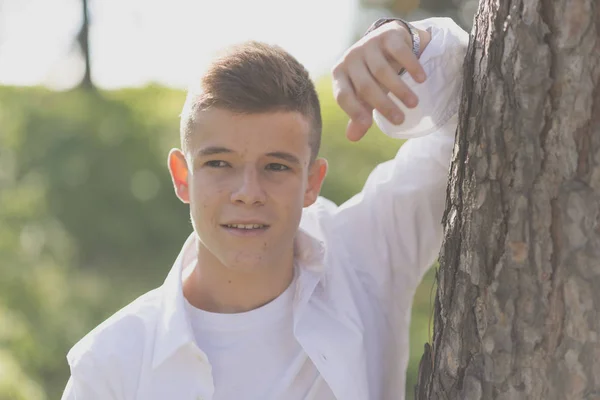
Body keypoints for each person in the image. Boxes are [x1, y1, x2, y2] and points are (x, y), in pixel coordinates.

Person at [61, 16, 468, 400]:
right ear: (183, 177)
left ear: (312, 181)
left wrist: (409, 41)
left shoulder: (364, 260)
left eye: (276, 166)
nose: (248, 192)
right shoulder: (109, 368)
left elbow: (463, 129)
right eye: (219, 163)